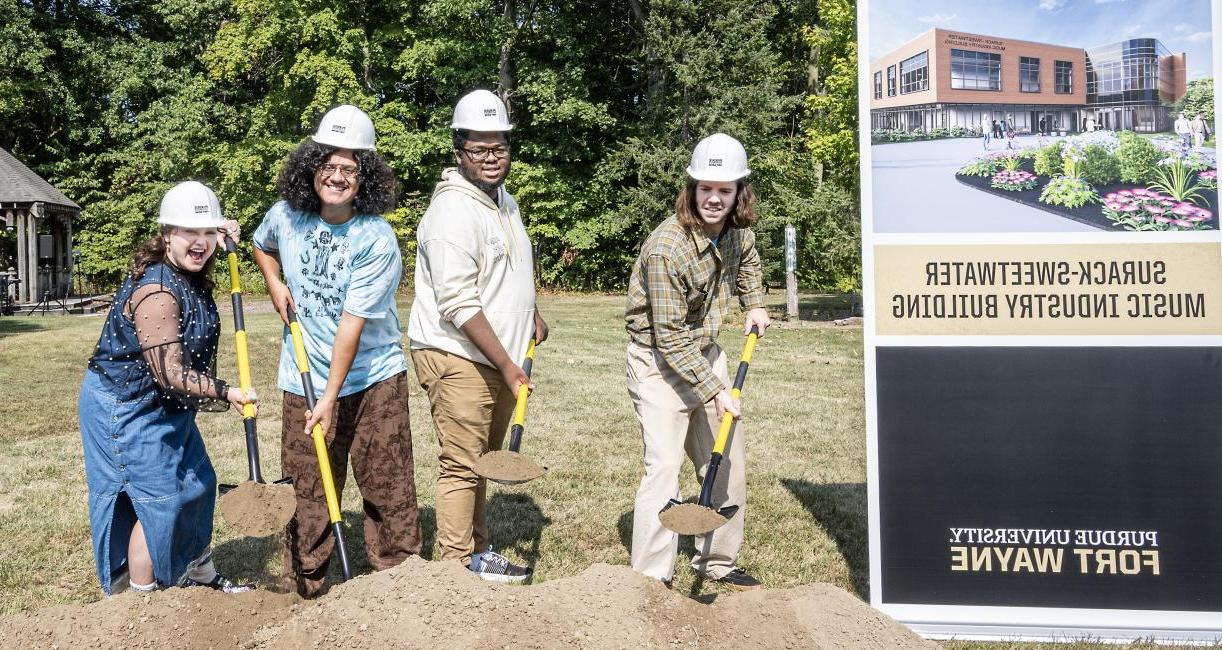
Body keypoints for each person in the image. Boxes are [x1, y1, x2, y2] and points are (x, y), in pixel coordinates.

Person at [252, 104, 421, 598]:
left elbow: (352, 325)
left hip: (373, 378)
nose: (338, 176)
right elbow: (262, 245)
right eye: (329, 163)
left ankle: (401, 589)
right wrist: (274, 281)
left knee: (387, 488)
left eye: (350, 168)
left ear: (365, 177)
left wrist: (329, 397)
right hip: (300, 376)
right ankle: (306, 591)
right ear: (312, 166)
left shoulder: (377, 238)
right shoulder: (286, 215)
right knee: (306, 491)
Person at [78, 181, 257, 596]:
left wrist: (222, 233)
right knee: (161, 502)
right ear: (165, 235)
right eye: (187, 233)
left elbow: (214, 234)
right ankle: (142, 603)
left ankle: (198, 574)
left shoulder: (190, 264)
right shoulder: (157, 291)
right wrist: (227, 391)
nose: (200, 243)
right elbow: (170, 374)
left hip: (165, 404)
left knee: (199, 484)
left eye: (207, 233)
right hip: (126, 406)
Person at [407, 89, 548, 583]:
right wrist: (509, 367)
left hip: (493, 356)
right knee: (463, 464)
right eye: (479, 149)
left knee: (482, 462)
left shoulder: (502, 202)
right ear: (458, 149)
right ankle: (452, 570)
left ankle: (477, 554)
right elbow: (459, 303)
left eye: (500, 148)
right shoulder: (451, 213)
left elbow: (501, 271)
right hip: (457, 354)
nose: (491, 158)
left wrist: (530, 311)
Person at [625, 133, 772, 591]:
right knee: (665, 467)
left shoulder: (736, 232)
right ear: (691, 189)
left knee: (726, 461)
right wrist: (717, 392)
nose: (713, 198)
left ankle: (718, 562)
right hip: (657, 364)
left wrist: (754, 302)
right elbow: (668, 337)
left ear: (737, 194)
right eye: (705, 188)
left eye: (724, 190)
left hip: (706, 354)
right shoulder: (666, 249)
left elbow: (746, 260)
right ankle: (651, 578)